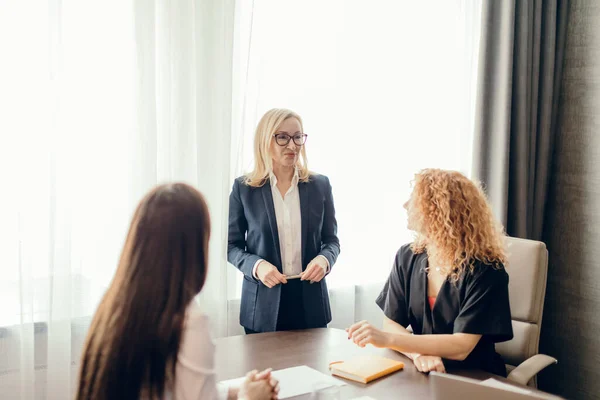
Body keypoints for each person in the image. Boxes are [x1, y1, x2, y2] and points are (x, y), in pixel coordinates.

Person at [76, 183, 279, 400]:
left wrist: (234, 391)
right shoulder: (188, 322)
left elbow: (171, 389)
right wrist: (250, 397)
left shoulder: (115, 305)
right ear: (193, 249)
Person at [346, 169, 513, 377]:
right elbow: (391, 322)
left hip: (474, 377)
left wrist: (387, 340)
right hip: (423, 371)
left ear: (440, 210)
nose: (405, 205)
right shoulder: (408, 256)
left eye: (414, 200)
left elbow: (461, 346)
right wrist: (417, 354)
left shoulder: (486, 270)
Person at [228, 108, 340, 334]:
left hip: (311, 304)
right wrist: (257, 266)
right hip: (262, 307)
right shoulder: (244, 188)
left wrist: (324, 260)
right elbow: (231, 246)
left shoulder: (320, 185)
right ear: (265, 140)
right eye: (282, 137)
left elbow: (332, 241)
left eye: (298, 137)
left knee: (313, 369)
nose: (292, 145)